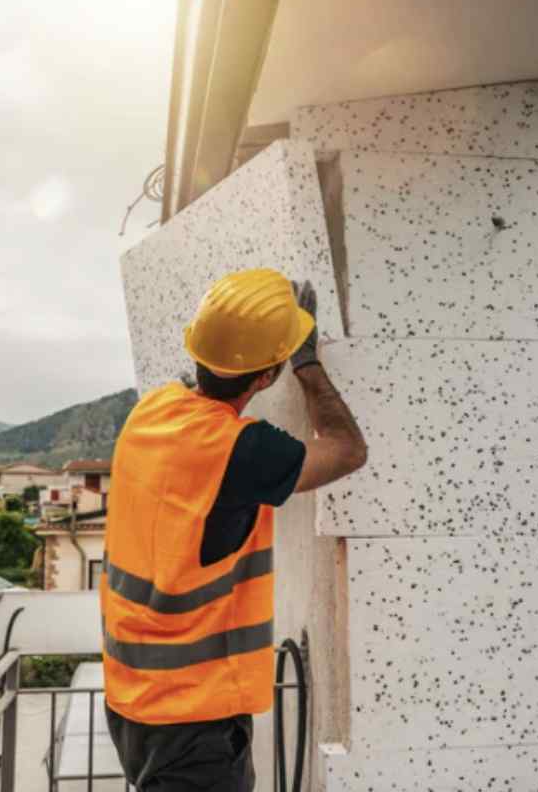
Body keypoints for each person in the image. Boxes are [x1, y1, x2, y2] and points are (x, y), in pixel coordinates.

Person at [100, 267, 367, 791]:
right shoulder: (242, 451)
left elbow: (208, 376)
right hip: (191, 723)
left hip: (132, 702)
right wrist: (307, 362)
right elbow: (347, 449)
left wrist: (255, 329)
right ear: (267, 377)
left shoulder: (150, 412)